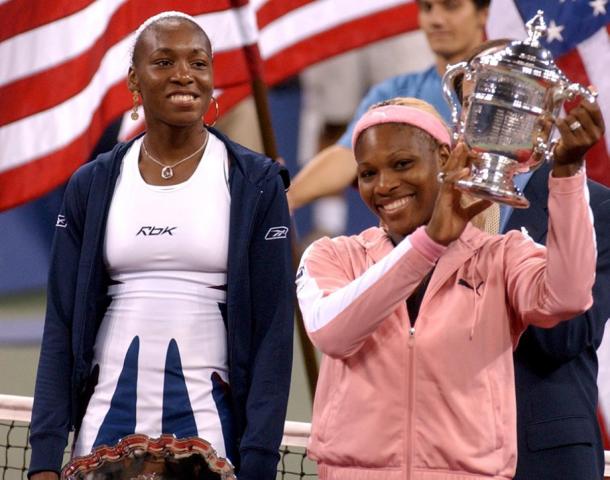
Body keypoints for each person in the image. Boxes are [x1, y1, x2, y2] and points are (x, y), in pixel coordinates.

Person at [28, 12, 293, 480]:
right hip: (104, 427)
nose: (184, 74)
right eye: (164, 61)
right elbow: (62, 323)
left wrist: (260, 461)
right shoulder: (90, 185)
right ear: (134, 79)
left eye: (199, 62)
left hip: (213, 430)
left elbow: (273, 330)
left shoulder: (256, 182)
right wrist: (45, 460)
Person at [295, 96, 603, 479]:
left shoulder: (501, 255)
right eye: (368, 173)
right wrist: (429, 243)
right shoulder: (331, 256)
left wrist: (568, 173)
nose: (385, 185)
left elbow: (568, 296)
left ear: (445, 159)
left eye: (403, 164)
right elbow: (333, 333)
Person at [455, 40, 610, 479]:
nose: (492, 116)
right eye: (481, 99)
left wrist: (494, 265)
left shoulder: (596, 209)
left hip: (543, 457)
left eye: (511, 99)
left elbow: (562, 336)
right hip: (446, 449)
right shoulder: (433, 209)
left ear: (543, 113)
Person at [287, 0, 490, 212]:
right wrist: (286, 199)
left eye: (451, 6)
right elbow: (346, 157)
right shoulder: (394, 91)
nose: (436, 20)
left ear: (483, 14)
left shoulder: (507, 87)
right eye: (427, 8)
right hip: (422, 237)